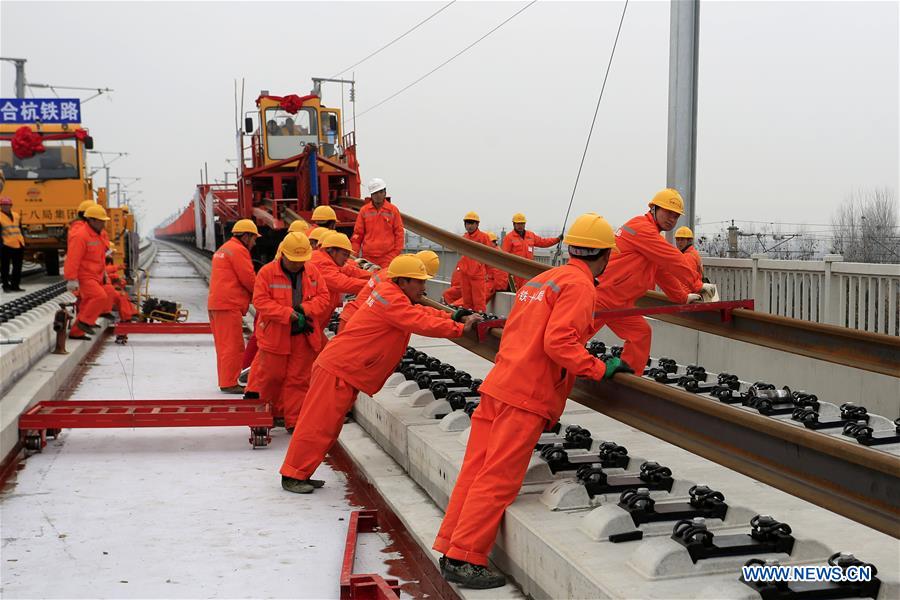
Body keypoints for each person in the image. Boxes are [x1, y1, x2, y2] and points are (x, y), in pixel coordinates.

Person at [433, 213, 630, 589]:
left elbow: (528, 331)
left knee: (475, 472)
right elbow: (559, 342)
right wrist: (597, 367)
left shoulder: (541, 281)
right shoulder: (580, 286)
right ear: (603, 255)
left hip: (500, 385)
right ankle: (465, 557)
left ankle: (452, 547)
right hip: (525, 395)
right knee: (498, 480)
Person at [280, 255, 482, 494]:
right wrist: (459, 328)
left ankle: (300, 472)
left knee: (327, 426)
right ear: (403, 281)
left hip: (344, 369)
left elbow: (421, 312)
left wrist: (453, 316)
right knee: (317, 425)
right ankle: (293, 474)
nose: (424, 287)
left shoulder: (392, 294)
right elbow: (419, 321)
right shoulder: (391, 299)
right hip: (339, 369)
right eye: (419, 282)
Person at [592, 189, 710, 373]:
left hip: (619, 302)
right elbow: (673, 259)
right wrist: (699, 285)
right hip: (602, 296)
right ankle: (548, 374)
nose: (672, 219)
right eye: (668, 212)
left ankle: (629, 379)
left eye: (676, 216)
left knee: (640, 333)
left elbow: (662, 271)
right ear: (654, 208)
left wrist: (682, 297)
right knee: (571, 339)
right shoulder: (641, 228)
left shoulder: (650, 236)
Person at [248, 232, 332, 431]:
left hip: (302, 336)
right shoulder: (267, 273)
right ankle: (266, 416)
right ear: (283, 255)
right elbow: (260, 301)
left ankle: (293, 421)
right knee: (270, 378)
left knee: (299, 379)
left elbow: (323, 297)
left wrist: (305, 309)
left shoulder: (311, 272)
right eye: (294, 260)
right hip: (275, 336)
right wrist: (287, 314)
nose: (297, 264)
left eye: (301, 261)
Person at [207, 219, 259, 393]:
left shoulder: (225, 248)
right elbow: (249, 279)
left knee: (223, 346)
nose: (254, 242)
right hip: (228, 305)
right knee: (233, 346)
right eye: (253, 238)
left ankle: (226, 380)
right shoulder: (239, 251)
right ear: (245, 236)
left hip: (217, 303)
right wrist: (265, 295)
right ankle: (229, 383)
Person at [340, 250, 441, 328]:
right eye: (420, 280)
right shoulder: (393, 282)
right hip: (356, 323)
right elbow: (409, 315)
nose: (423, 285)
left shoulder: (392, 272)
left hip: (355, 318)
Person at [64, 204, 112, 340]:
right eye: (101, 220)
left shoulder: (98, 235)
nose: (103, 223)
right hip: (84, 275)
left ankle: (76, 332)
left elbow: (101, 256)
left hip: (96, 274)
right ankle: (84, 322)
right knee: (99, 296)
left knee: (88, 302)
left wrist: (104, 273)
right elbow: (73, 258)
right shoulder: (81, 236)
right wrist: (71, 279)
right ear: (91, 220)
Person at [309, 232, 368, 328]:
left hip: (316, 320)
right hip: (311, 320)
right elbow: (343, 283)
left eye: (348, 256)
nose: (346, 259)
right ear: (331, 250)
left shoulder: (329, 260)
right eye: (344, 255)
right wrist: (372, 285)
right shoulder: (322, 262)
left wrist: (376, 276)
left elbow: (351, 271)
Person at [350, 178, 405, 269]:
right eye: (375, 193)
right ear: (371, 195)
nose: (378, 195)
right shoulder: (364, 211)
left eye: (380, 192)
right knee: (369, 282)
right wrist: (353, 255)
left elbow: (399, 233)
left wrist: (394, 254)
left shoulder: (393, 210)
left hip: (388, 257)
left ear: (385, 193)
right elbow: (358, 235)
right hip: (368, 257)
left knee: (385, 281)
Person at [500, 213, 561, 291]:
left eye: (522, 223)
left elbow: (543, 242)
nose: (520, 225)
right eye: (518, 224)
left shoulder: (530, 235)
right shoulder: (509, 238)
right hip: (515, 271)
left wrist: (557, 239)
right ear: (514, 224)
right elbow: (504, 255)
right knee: (516, 292)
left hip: (528, 269)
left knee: (528, 290)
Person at [457, 212, 492, 313]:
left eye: (472, 223)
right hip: (465, 274)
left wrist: (488, 273)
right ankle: (468, 320)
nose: (470, 226)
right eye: (468, 223)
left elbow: (490, 256)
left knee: (479, 301)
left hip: (477, 274)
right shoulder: (464, 238)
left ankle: (479, 320)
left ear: (477, 224)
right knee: (466, 300)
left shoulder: (484, 237)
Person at [1, 173, 25, 292]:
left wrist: (24, 241)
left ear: (11, 206)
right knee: (5, 267)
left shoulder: (16, 215)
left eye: (8, 205)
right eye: (4, 205)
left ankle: (15, 285)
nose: (6, 207)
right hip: (5, 246)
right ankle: (5, 285)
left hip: (18, 244)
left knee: (17, 267)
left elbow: (19, 229)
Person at [103, 244, 136, 321]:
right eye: (111, 253)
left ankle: (132, 314)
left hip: (107, 289)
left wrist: (118, 281)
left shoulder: (106, 262)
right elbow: (104, 271)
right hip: (104, 291)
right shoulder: (99, 262)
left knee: (123, 295)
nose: (112, 255)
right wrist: (117, 269)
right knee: (121, 296)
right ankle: (127, 318)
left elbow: (107, 274)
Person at [484, 232, 509, 302]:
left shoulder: (495, 254)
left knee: (475, 298)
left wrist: (497, 287)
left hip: (492, 285)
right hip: (491, 283)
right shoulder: (492, 253)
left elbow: (499, 275)